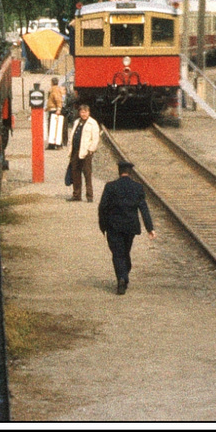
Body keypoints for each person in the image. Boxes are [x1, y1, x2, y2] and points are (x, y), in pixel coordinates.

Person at [97, 160, 154, 294]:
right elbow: (143, 208)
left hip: (113, 226)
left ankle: (122, 278)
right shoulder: (138, 187)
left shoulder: (110, 187)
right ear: (131, 172)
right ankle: (124, 274)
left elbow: (102, 208)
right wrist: (150, 228)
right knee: (125, 252)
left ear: (119, 171)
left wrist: (103, 226)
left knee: (118, 253)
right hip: (130, 226)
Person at [66, 104, 101, 201]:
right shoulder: (77, 122)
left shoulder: (92, 123)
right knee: (75, 173)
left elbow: (95, 138)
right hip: (75, 151)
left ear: (89, 113)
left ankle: (89, 196)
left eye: (85, 112)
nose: (84, 114)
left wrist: (91, 150)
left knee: (87, 174)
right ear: (79, 113)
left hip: (86, 152)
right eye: (82, 112)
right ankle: (76, 195)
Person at [45, 78, 66, 149]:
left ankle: (55, 144)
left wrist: (58, 109)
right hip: (53, 109)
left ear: (52, 82)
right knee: (55, 128)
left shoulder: (54, 90)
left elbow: (58, 100)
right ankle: (54, 144)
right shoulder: (56, 89)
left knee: (53, 128)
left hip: (54, 110)